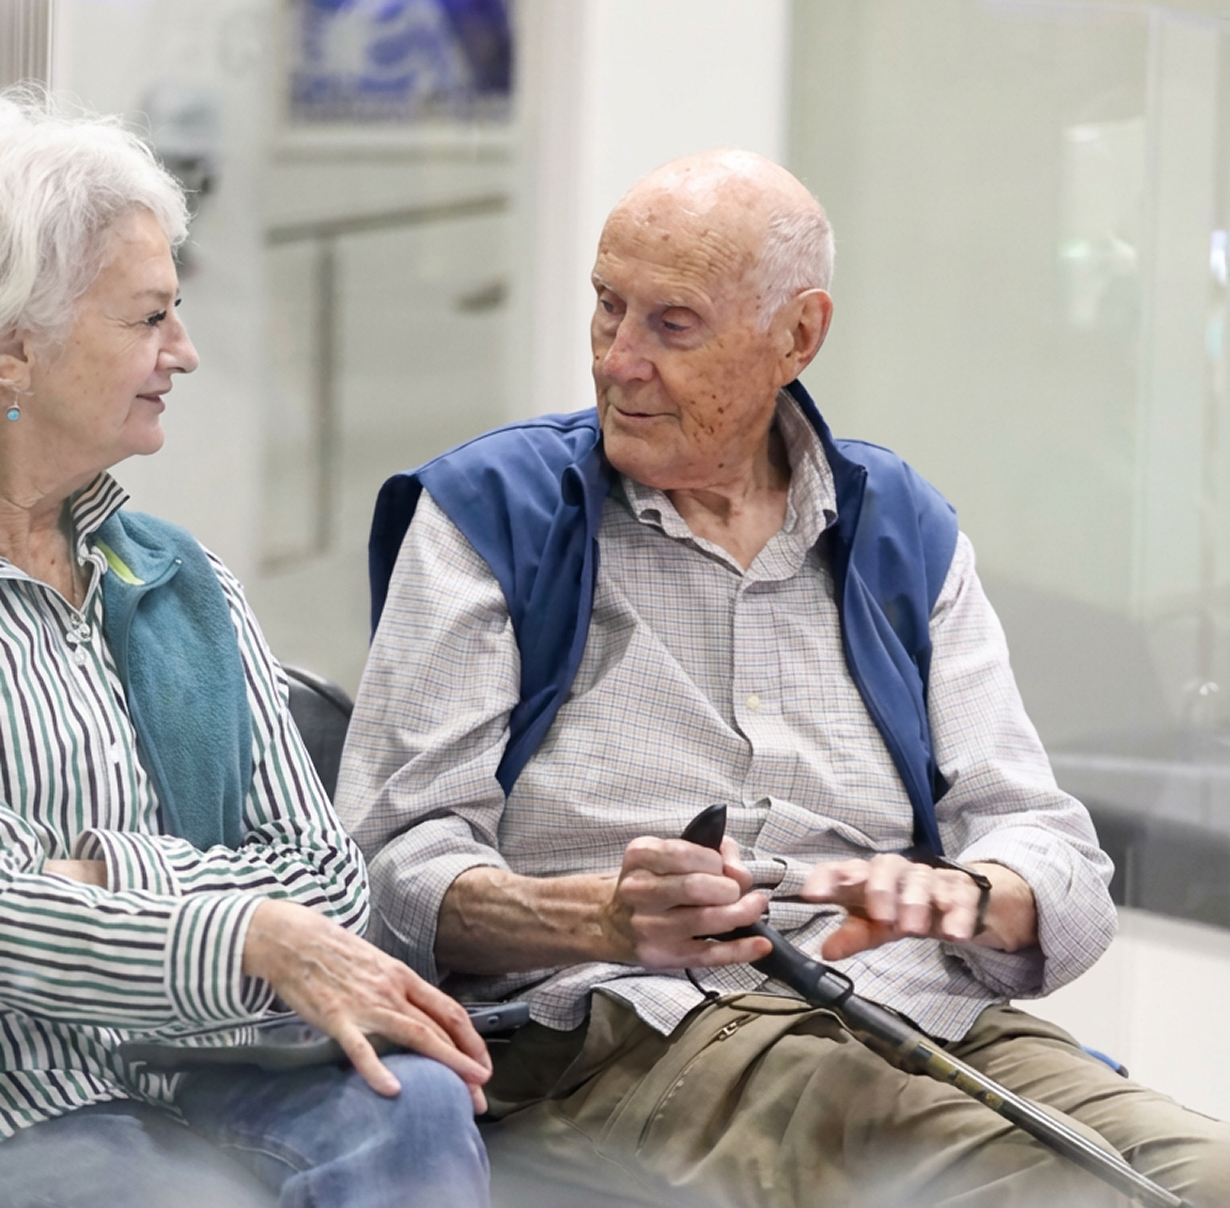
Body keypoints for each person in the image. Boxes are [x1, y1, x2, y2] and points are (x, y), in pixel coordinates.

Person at [337, 147, 1230, 1208]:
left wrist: (969, 892)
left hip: (918, 1008)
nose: (618, 359)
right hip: (634, 1032)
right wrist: (597, 918)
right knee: (1025, 1185)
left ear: (796, 335)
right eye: (606, 307)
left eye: (672, 325)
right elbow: (384, 871)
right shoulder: (492, 513)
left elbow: (1054, 849)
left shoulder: (900, 528)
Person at [0, 89, 492, 1208]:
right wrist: (246, 925)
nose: (186, 349)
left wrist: (103, 872)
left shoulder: (179, 578)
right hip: (29, 1098)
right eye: (147, 318)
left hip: (223, 1063)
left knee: (414, 1102)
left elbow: (325, 876)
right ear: (15, 353)